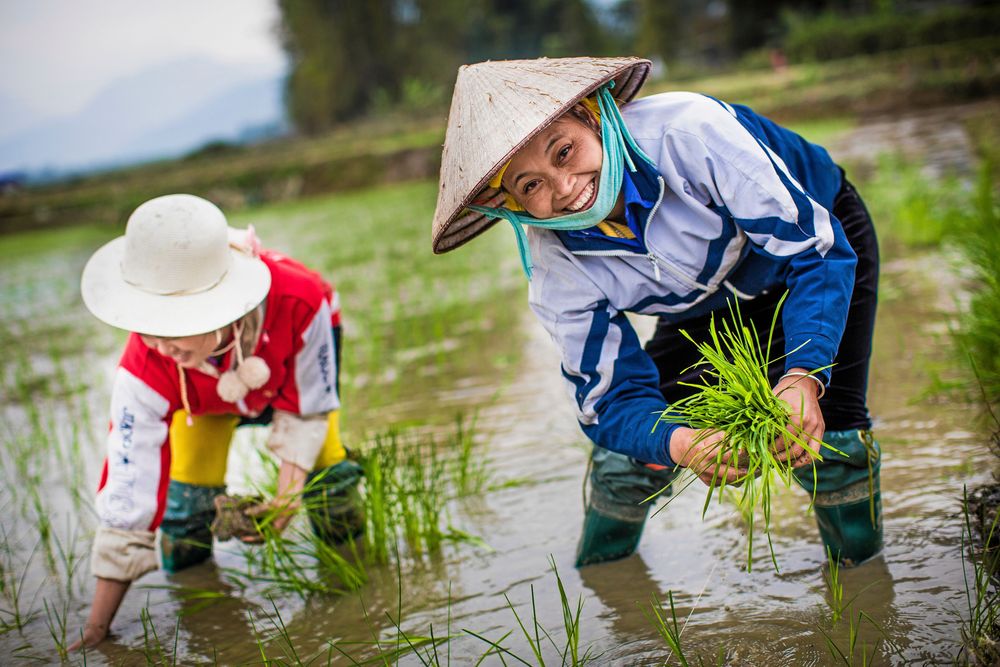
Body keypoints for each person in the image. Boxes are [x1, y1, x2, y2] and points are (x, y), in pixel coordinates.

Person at [431, 57, 882, 569]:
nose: (562, 187)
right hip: (697, 304)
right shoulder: (555, 265)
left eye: (564, 151)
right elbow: (609, 398)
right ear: (506, 203)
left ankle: (865, 588)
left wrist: (802, 375)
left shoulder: (689, 133)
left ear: (592, 116)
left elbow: (812, 252)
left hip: (812, 249)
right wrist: (680, 442)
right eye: (530, 185)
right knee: (627, 462)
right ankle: (605, 593)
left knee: (833, 440)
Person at [71, 194, 363, 648]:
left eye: (174, 323)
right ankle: (201, 607)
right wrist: (96, 629)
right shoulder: (147, 359)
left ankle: (356, 592)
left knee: (330, 478)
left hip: (294, 380)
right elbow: (129, 484)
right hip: (202, 402)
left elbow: (307, 411)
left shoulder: (301, 300)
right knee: (185, 505)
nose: (158, 342)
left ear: (223, 307)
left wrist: (285, 501)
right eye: (148, 322)